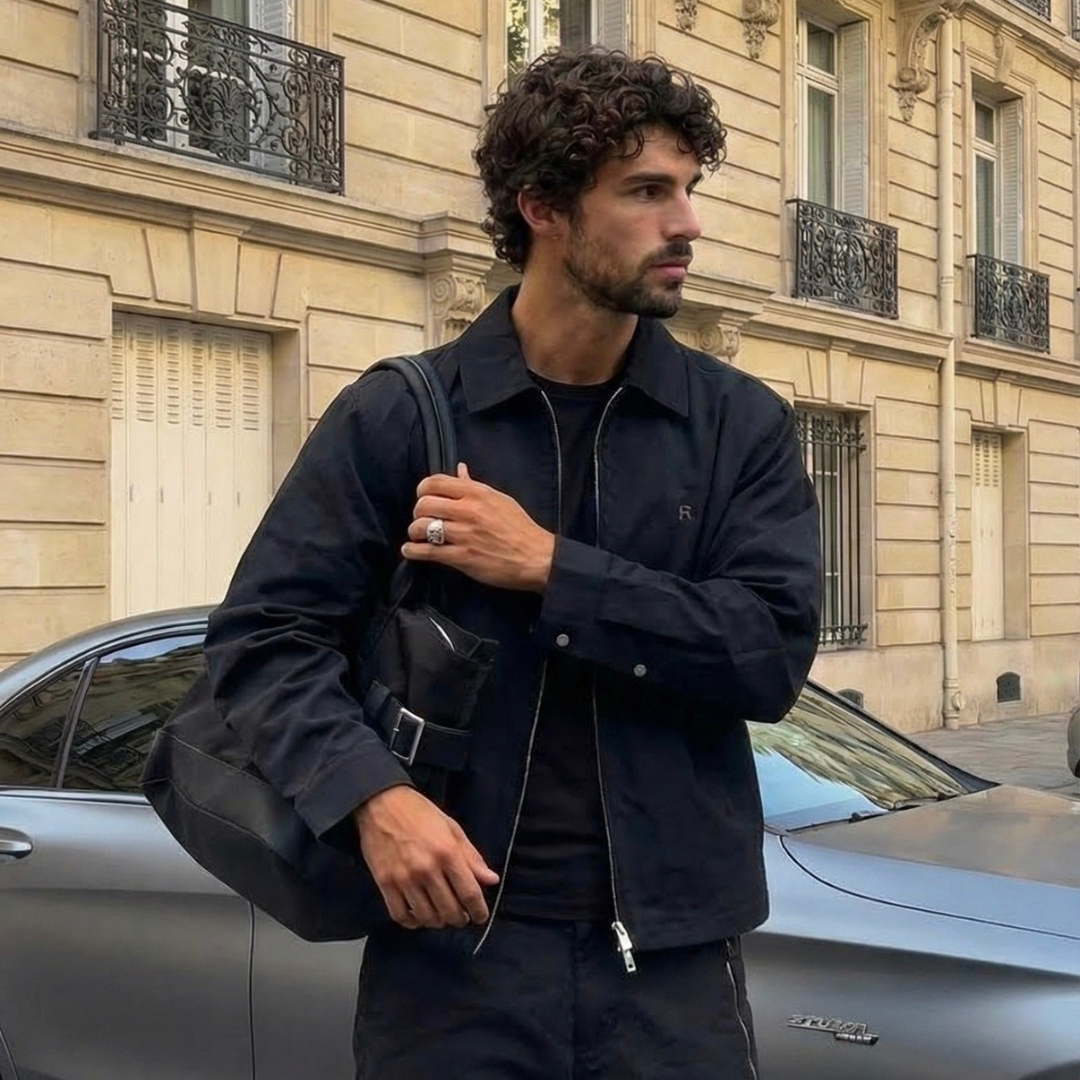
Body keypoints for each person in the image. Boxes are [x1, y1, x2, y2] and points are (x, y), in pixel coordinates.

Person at [204, 48, 821, 1080]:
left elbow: (768, 656)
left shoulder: (736, 426)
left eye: (688, 189)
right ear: (543, 208)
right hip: (453, 961)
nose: (687, 224)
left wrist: (551, 569)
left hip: (671, 965)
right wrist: (372, 799)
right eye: (646, 192)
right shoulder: (401, 414)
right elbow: (266, 641)